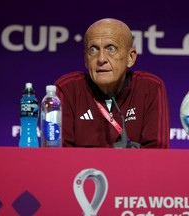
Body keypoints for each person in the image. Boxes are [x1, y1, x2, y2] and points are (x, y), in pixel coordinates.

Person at [54, 18, 170, 148]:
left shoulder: (150, 88)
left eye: (111, 48)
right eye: (93, 49)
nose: (101, 59)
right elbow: (57, 154)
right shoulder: (68, 89)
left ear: (130, 57)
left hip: (134, 169)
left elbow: (158, 154)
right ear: (86, 59)